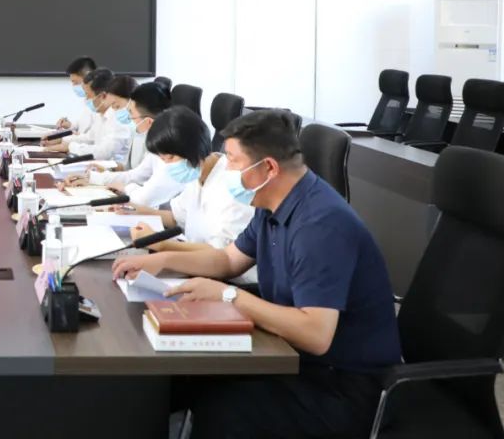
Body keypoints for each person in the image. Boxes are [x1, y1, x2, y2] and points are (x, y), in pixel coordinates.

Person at [112, 110, 401, 439]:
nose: (227, 170)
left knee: (222, 409)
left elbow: (316, 335)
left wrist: (228, 296)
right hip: (294, 358)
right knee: (179, 378)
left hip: (343, 387)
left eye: (234, 161)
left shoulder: (320, 226)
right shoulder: (272, 204)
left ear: (269, 168)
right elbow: (228, 260)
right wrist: (162, 260)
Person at [119, 106, 255, 264]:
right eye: (163, 160)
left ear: (193, 149)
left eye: (170, 158)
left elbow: (223, 252)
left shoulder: (235, 186)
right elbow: (176, 218)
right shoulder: (196, 173)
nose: (168, 166)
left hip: (216, 269)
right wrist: (135, 210)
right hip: (194, 262)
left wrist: (162, 244)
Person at [65, 82, 181, 209]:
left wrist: (124, 187)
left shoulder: (168, 149)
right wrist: (92, 178)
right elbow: (136, 174)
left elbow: (144, 196)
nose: (129, 120)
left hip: (159, 211)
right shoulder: (154, 140)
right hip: (143, 203)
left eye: (131, 115)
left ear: (148, 122)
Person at [45, 71, 135, 164]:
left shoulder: (119, 119)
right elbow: (89, 138)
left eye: (87, 94)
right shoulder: (100, 115)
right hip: (99, 165)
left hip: (111, 168)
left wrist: (70, 146)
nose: (86, 99)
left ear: (102, 96)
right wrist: (62, 140)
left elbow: (103, 152)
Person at [55, 56, 98, 132]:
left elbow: (93, 136)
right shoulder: (88, 101)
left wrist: (74, 137)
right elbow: (82, 128)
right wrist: (69, 126)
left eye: (76, 82)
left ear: (89, 78)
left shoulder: (102, 104)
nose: (74, 86)